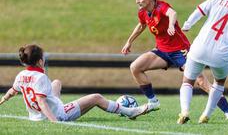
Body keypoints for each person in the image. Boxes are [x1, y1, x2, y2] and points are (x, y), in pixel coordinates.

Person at [121, 0, 228, 118]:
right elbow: (141, 25)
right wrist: (129, 42)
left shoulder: (161, 7)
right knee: (135, 67)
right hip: (162, 51)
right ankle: (153, 102)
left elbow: (172, 13)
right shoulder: (143, 12)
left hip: (181, 51)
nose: (137, 1)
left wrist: (170, 25)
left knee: (200, 81)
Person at [0, 44, 147, 122]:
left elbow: (12, 91)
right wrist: (54, 122)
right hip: (57, 115)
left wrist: (3, 100)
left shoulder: (21, 75)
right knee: (96, 97)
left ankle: (59, 106)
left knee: (56, 83)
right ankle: (130, 112)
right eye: (43, 58)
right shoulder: (40, 78)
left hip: (35, 116)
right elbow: (41, 101)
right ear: (39, 61)